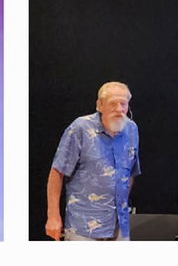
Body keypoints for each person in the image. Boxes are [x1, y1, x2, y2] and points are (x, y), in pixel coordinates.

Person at [46, 82, 139, 240]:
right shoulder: (80, 128)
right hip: (83, 227)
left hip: (120, 226)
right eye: (113, 103)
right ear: (100, 105)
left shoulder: (131, 129)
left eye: (123, 103)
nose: (119, 109)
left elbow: (130, 172)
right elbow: (57, 172)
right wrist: (53, 216)